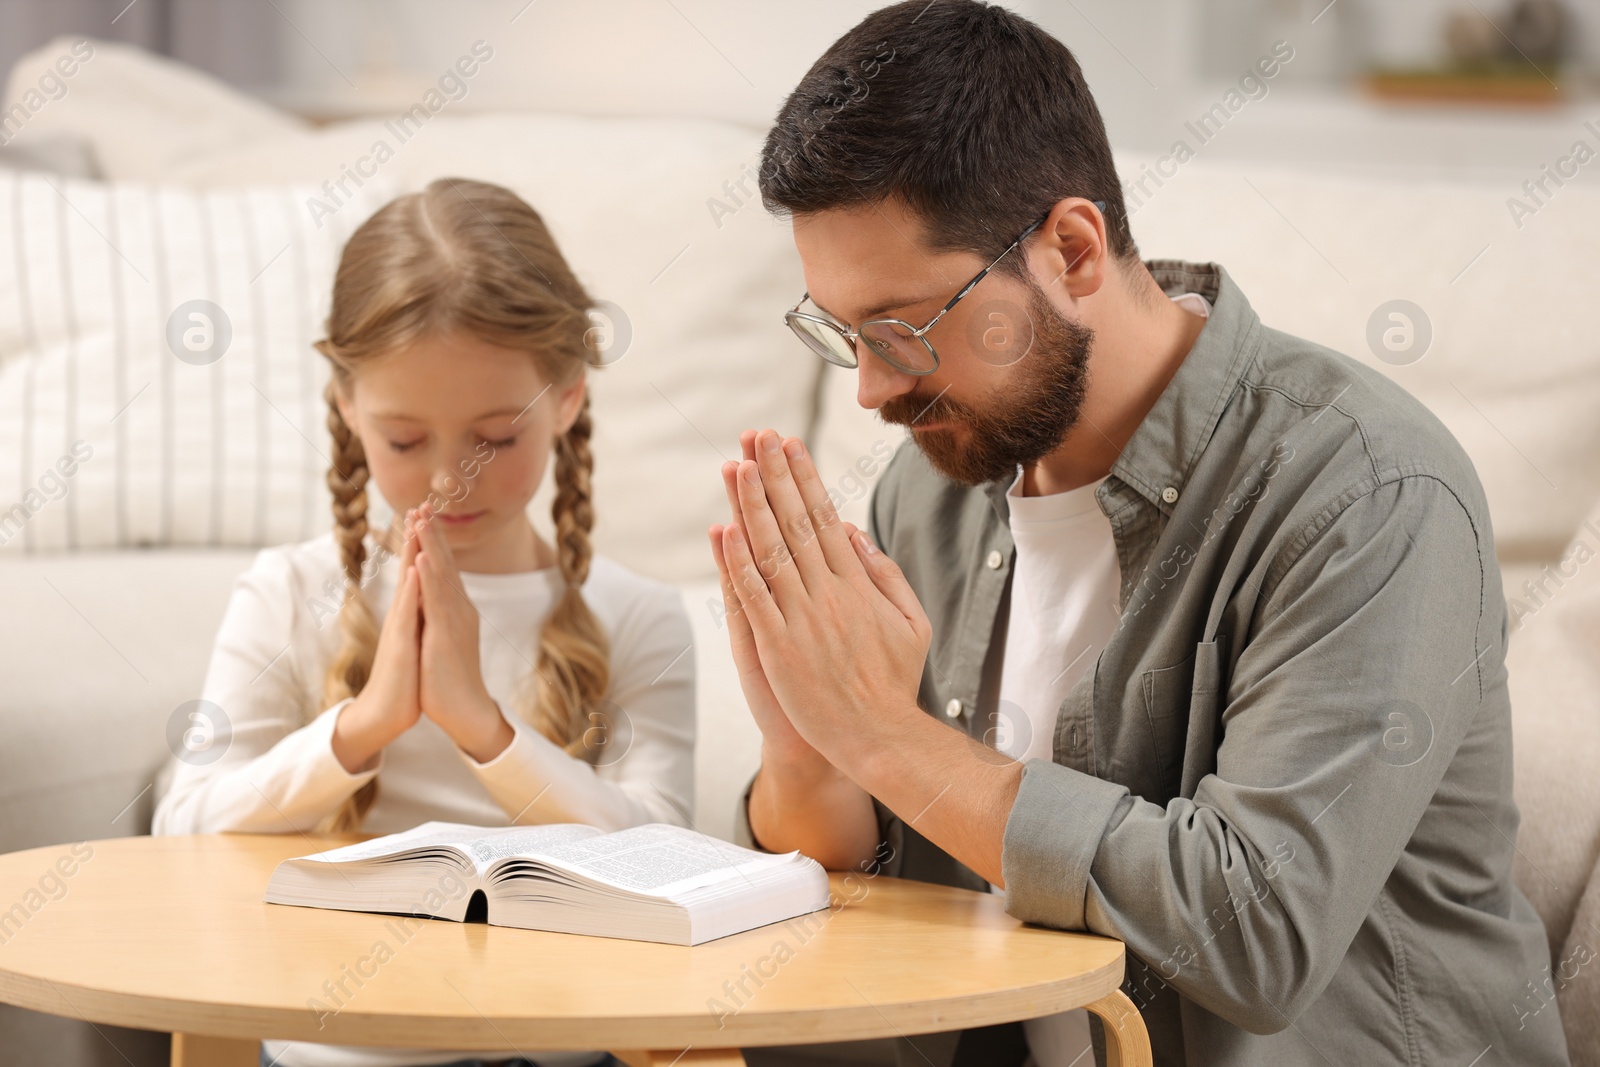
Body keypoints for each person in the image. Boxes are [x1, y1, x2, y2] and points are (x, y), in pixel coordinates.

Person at [708, 3, 1569, 1066]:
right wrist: (811, 749)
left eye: (904, 328)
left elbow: (1254, 929)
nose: (873, 389)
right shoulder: (929, 491)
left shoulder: (1365, 488)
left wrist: (883, 732)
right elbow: (887, 906)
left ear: (1071, 249)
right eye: (843, 334)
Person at [152, 177, 694, 1067]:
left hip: (560, 1045)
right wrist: (364, 726)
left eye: (496, 437)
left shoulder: (639, 616)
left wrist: (486, 730)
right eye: (405, 441)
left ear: (566, 398)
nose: (451, 479)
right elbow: (183, 830)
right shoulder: (288, 593)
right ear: (346, 405)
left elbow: (668, 854)